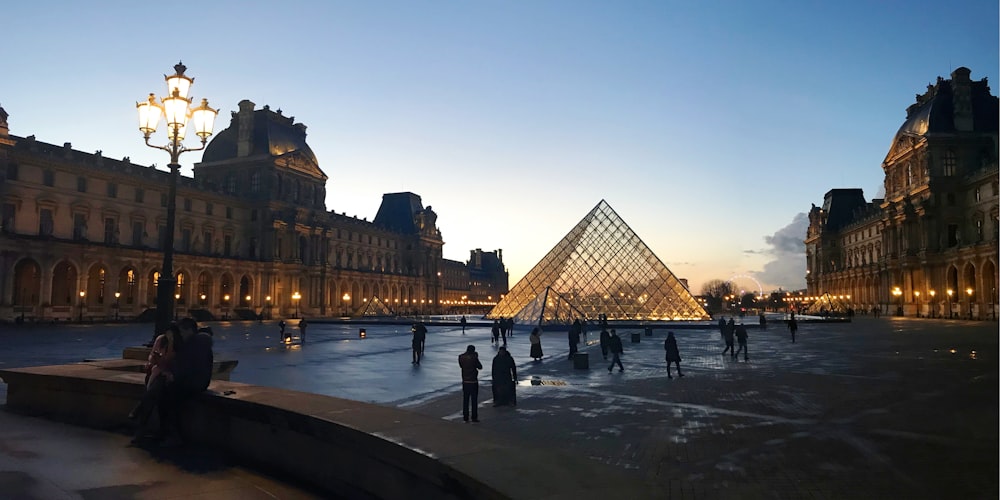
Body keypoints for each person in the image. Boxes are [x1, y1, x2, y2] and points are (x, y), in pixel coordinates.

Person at [138, 317, 213, 445]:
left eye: (182, 331)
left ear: (190, 330)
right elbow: (184, 365)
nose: (181, 335)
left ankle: (169, 433)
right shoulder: (193, 343)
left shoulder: (197, 344)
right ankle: (164, 431)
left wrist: (174, 376)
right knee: (163, 391)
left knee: (168, 396)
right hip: (192, 380)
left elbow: (192, 367)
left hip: (195, 383)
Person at [129, 323, 181, 424]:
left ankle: (139, 408)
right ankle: (140, 411)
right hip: (158, 371)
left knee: (155, 392)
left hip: (166, 374)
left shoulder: (176, 345)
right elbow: (152, 355)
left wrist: (170, 343)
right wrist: (151, 360)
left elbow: (168, 361)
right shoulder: (161, 340)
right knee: (155, 392)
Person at [458, 345, 482, 422]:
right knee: (474, 400)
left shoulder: (461, 357)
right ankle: (474, 417)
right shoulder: (474, 358)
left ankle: (466, 416)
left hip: (465, 380)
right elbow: (480, 366)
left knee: (466, 399)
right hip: (473, 381)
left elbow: (461, 366)